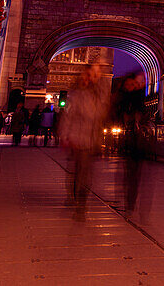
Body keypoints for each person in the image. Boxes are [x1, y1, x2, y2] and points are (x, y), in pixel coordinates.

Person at [58, 64, 108, 220]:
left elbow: (100, 116)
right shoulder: (76, 95)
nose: (89, 78)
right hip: (77, 139)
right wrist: (65, 136)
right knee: (81, 173)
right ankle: (79, 204)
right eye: (87, 75)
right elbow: (68, 117)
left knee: (84, 174)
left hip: (91, 140)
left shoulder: (97, 94)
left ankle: (79, 200)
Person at [111, 72, 150, 214]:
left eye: (133, 84)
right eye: (128, 84)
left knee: (133, 175)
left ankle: (130, 204)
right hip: (127, 142)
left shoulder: (139, 100)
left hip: (137, 143)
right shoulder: (121, 99)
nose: (130, 86)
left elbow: (145, 117)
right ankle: (127, 202)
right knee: (127, 174)